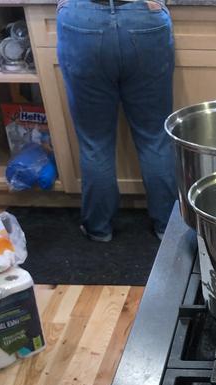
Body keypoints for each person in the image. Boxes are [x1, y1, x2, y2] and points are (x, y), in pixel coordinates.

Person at [56, 0, 177, 242]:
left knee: (95, 141)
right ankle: (167, 227)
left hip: (81, 18)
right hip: (144, 16)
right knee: (155, 138)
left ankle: (99, 228)